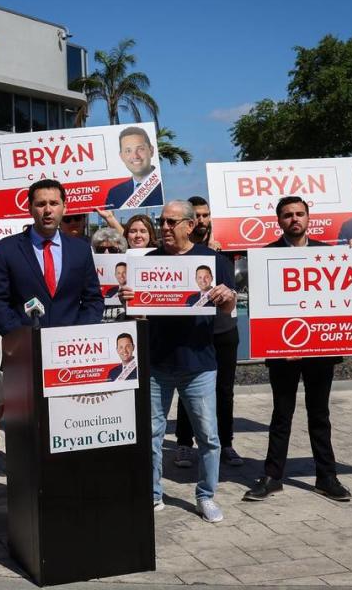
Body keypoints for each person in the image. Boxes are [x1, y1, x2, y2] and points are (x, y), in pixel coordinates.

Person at [118, 200, 236, 523]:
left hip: (199, 364)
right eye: (162, 222)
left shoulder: (214, 260)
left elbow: (228, 311)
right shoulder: (147, 262)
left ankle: (206, 496)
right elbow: (137, 312)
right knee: (152, 433)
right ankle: (153, 494)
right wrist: (126, 300)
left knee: (209, 435)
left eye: (172, 222)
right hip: (156, 362)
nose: (165, 228)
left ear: (189, 226)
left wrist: (228, 297)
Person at [243, 196, 352, 504]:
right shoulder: (265, 256)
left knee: (320, 414)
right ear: (279, 221)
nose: (294, 219)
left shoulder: (330, 254)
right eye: (288, 215)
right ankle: (272, 477)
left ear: (309, 217)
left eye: (299, 214)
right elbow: (260, 306)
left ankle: (326, 477)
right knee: (282, 414)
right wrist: (277, 344)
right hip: (284, 350)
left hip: (320, 349)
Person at [0, 179, 104, 336]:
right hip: (25, 347)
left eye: (54, 203)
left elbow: (93, 299)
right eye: (41, 204)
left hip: (71, 347)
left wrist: (79, 334)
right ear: (30, 208)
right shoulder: (6, 249)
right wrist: (20, 337)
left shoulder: (81, 249)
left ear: (64, 207)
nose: (48, 210)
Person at [174, 198, 243, 468]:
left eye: (206, 215)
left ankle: (226, 443)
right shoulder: (179, 252)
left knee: (224, 391)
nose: (202, 220)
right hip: (192, 330)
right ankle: (183, 442)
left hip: (223, 330)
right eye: (197, 216)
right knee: (187, 387)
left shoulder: (225, 249)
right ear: (189, 222)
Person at [106, 126, 164, 209]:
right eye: (128, 151)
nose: (135, 156)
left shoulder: (163, 185)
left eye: (140, 149)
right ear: (121, 156)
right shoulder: (115, 193)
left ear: (151, 151)